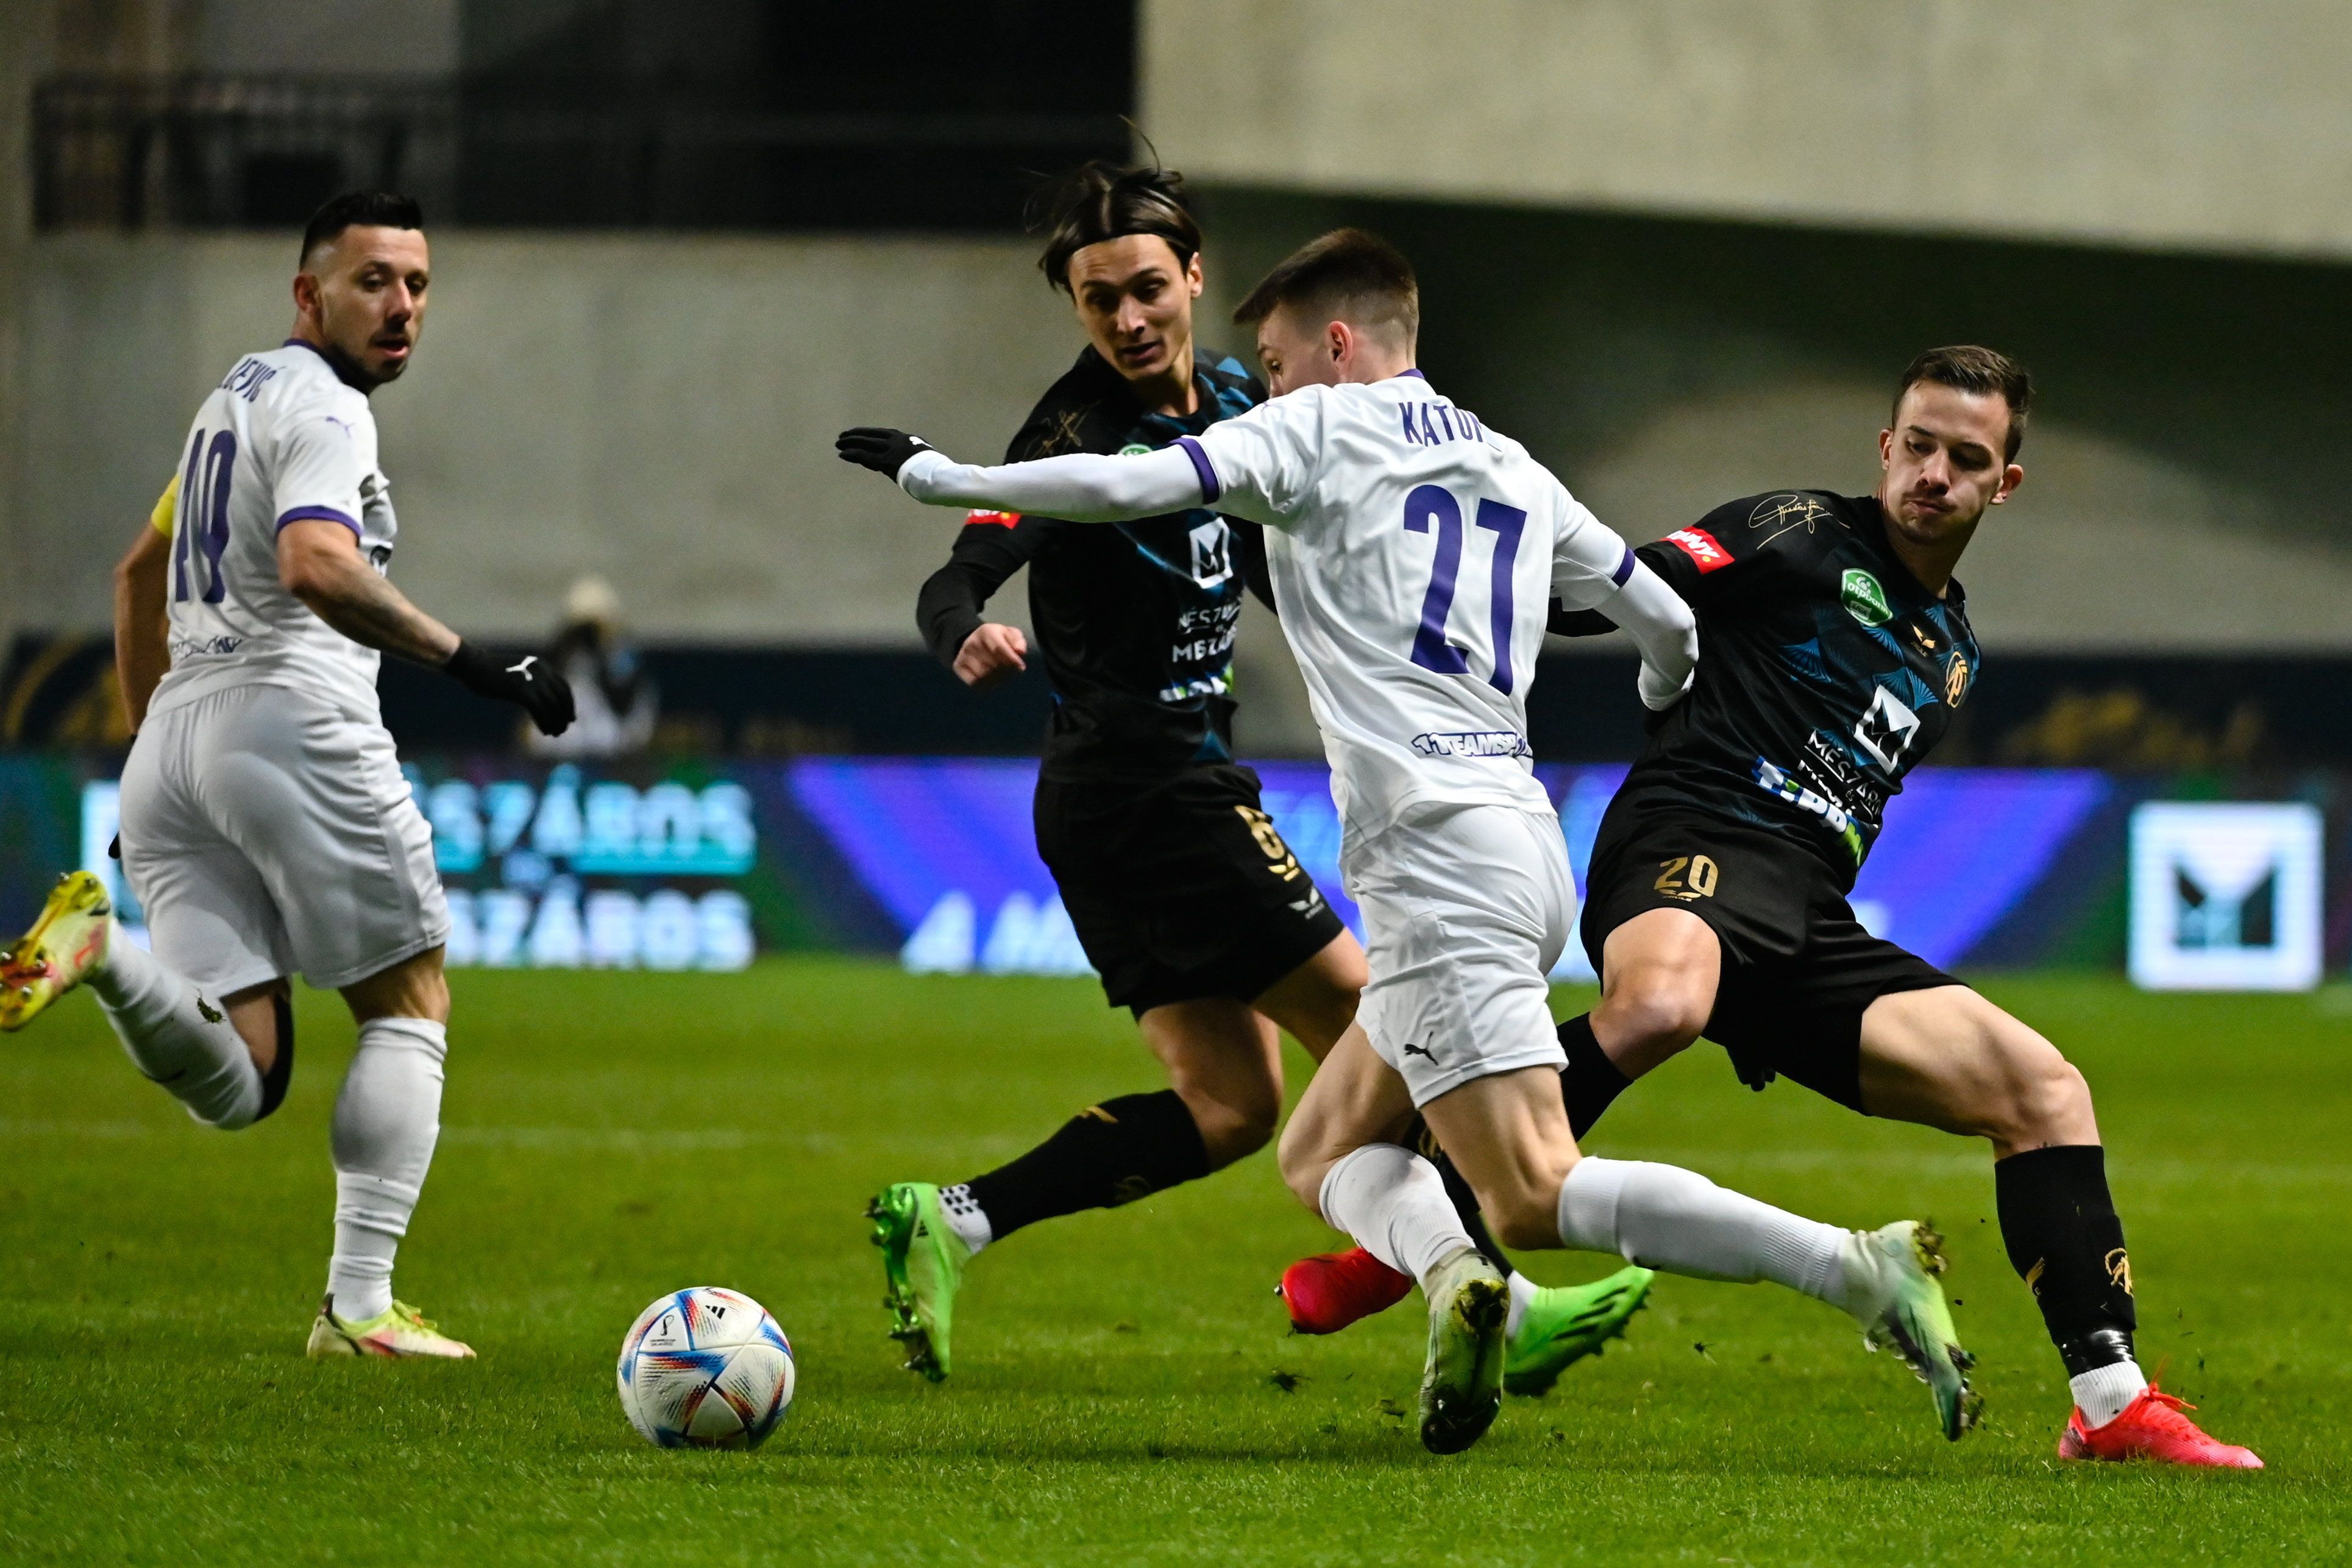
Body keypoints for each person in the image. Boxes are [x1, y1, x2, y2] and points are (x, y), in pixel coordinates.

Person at [840, 228, 1975, 1455]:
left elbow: (1123, 483)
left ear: (1334, 346)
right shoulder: (1509, 460)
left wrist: (939, 478)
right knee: (1321, 1144)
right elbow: (1661, 617)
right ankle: (1457, 1282)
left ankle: (1858, 1268)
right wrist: (1661, 689)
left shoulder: (1316, 428)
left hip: (1436, 863)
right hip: (1518, 838)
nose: (1263, 390)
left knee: (1531, 1189)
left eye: (1272, 365)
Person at [1294, 347, 2262, 1469]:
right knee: (1658, 1002)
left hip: (1800, 916)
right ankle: (1438, 1221)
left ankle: (2109, 1402)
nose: (1932, 474)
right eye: (1917, 446)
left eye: (1965, 458)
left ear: (2004, 484)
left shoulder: (1949, 651)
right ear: (1883, 446)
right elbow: (1624, 587)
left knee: (2042, 1090)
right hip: (1691, 834)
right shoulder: (1796, 530)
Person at [867, 164, 1649, 1385]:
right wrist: (960, 624)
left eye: (1143, 290)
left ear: (1192, 278)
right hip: (1154, 788)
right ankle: (1484, 1286)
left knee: (1233, 1104)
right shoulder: (1075, 432)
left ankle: (954, 1215)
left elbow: (1319, 564)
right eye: (1095, 301)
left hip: (1124, 802)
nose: (1126, 321)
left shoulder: (1250, 395)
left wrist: (1526, 605)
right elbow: (964, 564)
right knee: (1380, 1022)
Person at [0, 191, 575, 1358]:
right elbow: (314, 563)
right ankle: (359, 1306)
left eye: (416, 284)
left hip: (176, 742)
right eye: (373, 281)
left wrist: (146, 748)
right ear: (308, 294)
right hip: (292, 715)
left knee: (245, 1074)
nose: (403, 306)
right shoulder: (325, 410)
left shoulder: (235, 394)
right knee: (409, 1005)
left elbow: (134, 574)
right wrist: (474, 660)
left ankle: (105, 954)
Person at [525, 574, 658, 758]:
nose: (588, 632)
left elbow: (625, 701)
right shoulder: (562, 653)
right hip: (565, 742)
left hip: (612, 740)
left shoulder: (621, 653)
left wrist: (603, 651)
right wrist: (569, 643)